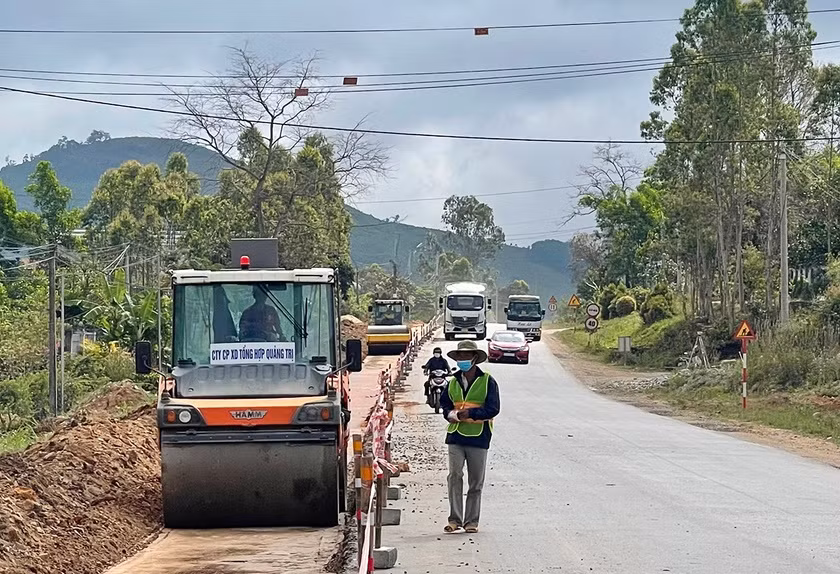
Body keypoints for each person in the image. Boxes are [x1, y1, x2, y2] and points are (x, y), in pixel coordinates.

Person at [439, 340, 500, 534]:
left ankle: (471, 521)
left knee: (476, 482)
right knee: (454, 476)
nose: (463, 360)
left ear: (474, 359)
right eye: (460, 357)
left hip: (478, 437)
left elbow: (493, 408)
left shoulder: (488, 381)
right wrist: (451, 415)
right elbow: (445, 405)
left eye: (466, 356)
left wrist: (471, 414)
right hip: (456, 436)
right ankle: (455, 519)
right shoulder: (452, 382)